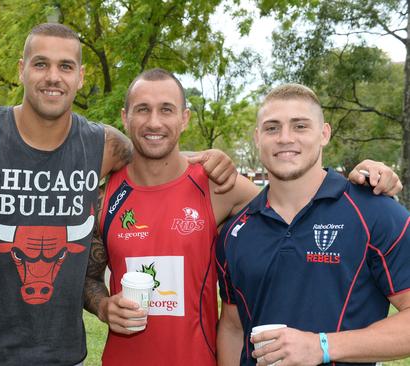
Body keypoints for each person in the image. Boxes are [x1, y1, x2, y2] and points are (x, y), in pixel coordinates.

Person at [0, 23, 237, 365]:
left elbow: (159, 154)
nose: (53, 77)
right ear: (21, 70)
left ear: (80, 76)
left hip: (65, 355)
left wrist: (210, 158)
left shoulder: (103, 146)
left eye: (65, 66)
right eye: (40, 64)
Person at [83, 71, 401, 365]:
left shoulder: (218, 185)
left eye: (166, 109)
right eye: (142, 109)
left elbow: (293, 200)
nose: (154, 121)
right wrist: (103, 306)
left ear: (184, 119)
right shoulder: (104, 196)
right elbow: (86, 277)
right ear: (125, 117)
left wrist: (370, 174)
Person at [216, 83, 410, 366]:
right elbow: (233, 328)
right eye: (272, 128)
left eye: (300, 126)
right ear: (257, 138)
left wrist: (322, 346)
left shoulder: (375, 211)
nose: (285, 138)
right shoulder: (235, 232)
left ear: (324, 133)